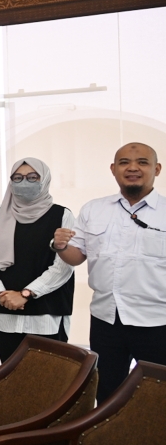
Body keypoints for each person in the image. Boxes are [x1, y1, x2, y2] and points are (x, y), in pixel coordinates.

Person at [54, 143, 166, 403]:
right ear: (113, 169)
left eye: (142, 162)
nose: (133, 168)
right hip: (106, 318)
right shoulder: (94, 209)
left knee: (158, 397)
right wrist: (60, 246)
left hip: (156, 321)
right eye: (124, 162)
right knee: (107, 394)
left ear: (157, 169)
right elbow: (76, 256)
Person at [0, 158, 75, 364]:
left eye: (32, 178)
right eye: (18, 178)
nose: (24, 183)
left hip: (45, 314)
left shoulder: (61, 215)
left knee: (49, 377)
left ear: (44, 180)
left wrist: (25, 294)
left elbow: (64, 266)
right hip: (5, 313)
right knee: (10, 378)